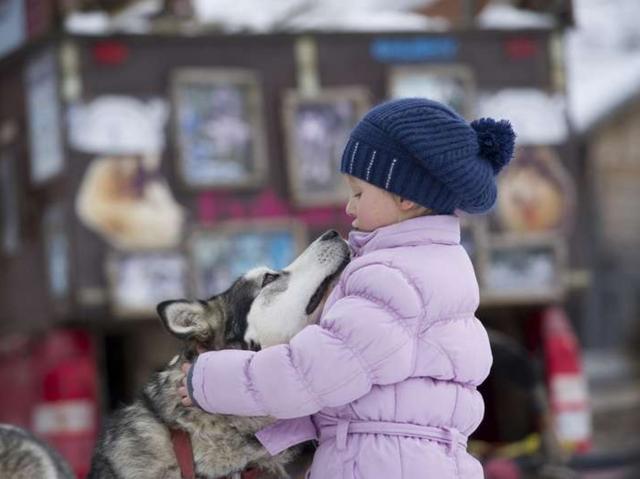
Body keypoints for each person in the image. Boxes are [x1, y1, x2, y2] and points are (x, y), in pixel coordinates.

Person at [179, 98, 516, 478]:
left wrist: (206, 381)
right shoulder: (434, 265)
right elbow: (352, 387)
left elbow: (313, 374)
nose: (349, 207)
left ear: (404, 197)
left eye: (359, 192)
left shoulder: (392, 277)